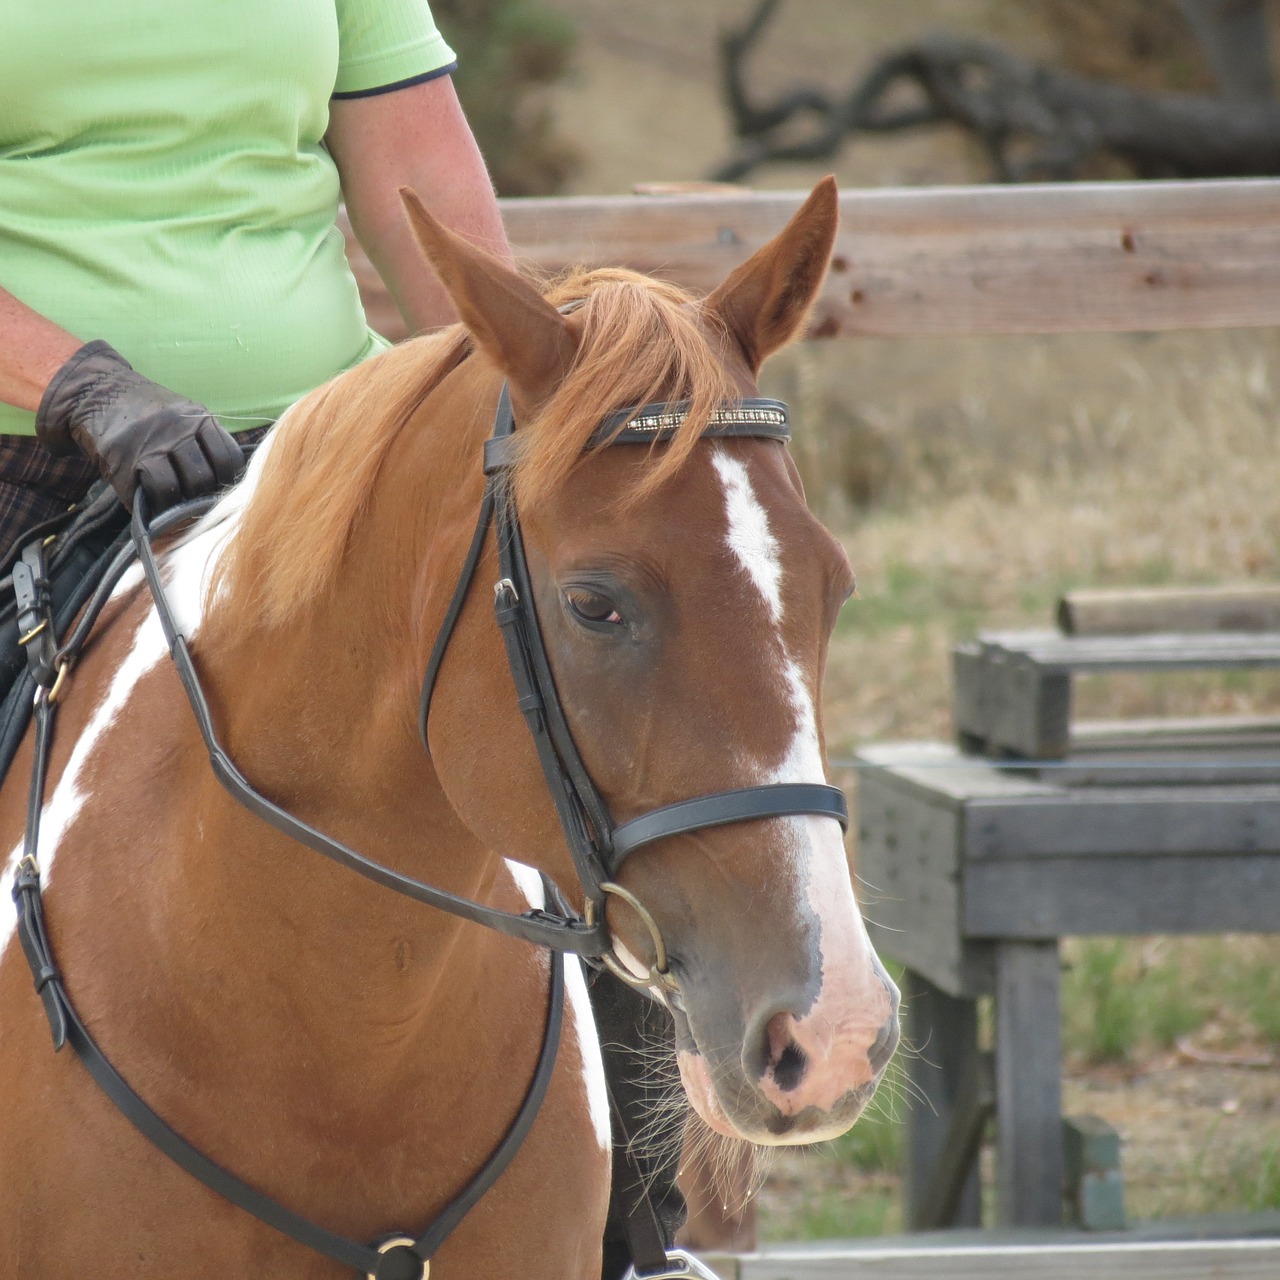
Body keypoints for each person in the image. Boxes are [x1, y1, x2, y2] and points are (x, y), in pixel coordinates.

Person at [0, 5, 684, 1276]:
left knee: (599, 727)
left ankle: (635, 1237)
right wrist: (87, 388)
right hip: (33, 459)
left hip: (330, 454)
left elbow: (414, 167)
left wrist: (539, 387)